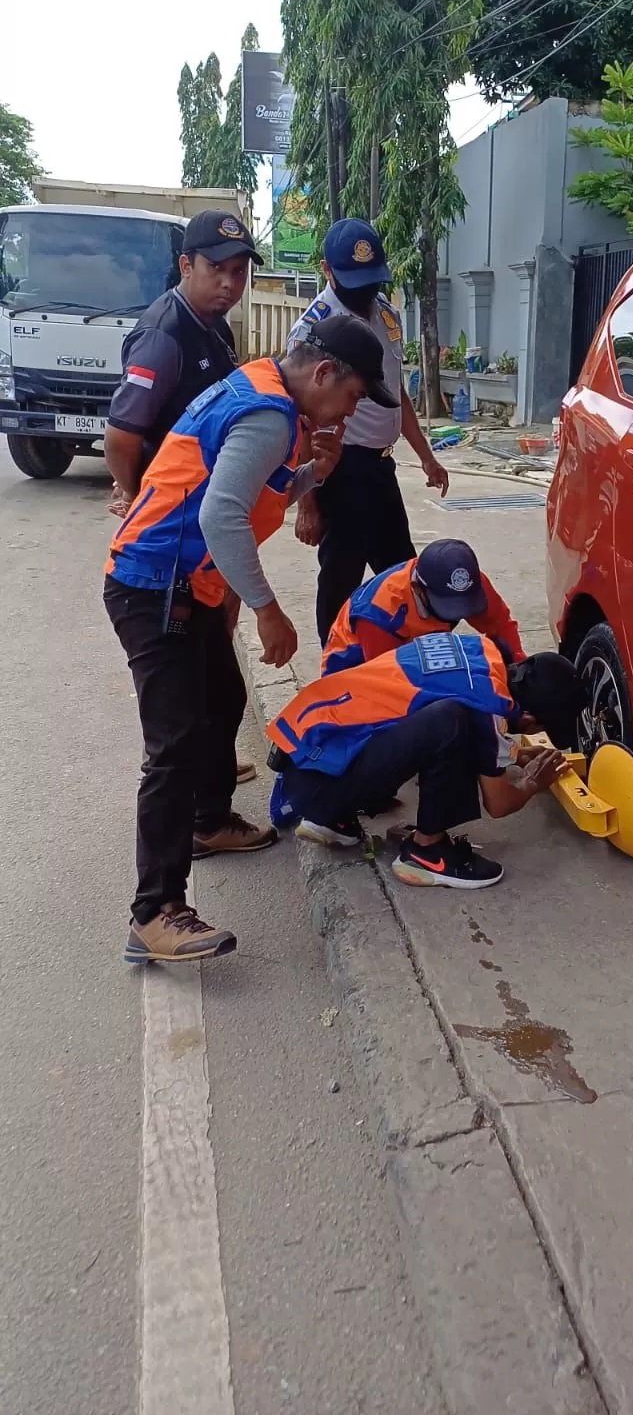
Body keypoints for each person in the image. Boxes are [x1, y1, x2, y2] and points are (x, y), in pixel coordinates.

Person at [105, 313, 396, 964]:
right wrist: (267, 608)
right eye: (351, 396)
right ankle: (154, 913)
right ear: (323, 373)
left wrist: (312, 476)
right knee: (174, 747)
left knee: (225, 701)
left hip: (185, 582)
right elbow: (221, 513)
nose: (350, 412)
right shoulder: (269, 415)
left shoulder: (267, 394)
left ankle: (209, 822)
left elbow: (249, 491)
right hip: (154, 584)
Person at [104, 207, 262, 784]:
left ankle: (209, 765)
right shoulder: (164, 335)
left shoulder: (213, 328)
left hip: (201, 531)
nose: (229, 282)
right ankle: (200, 790)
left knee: (212, 660)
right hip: (170, 542)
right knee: (195, 670)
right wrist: (138, 497)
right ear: (185, 265)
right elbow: (121, 438)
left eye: (240, 271)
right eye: (217, 268)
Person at [266, 631, 586, 890]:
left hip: (306, 756)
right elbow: (498, 804)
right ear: (529, 716)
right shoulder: (484, 709)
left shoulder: (477, 652)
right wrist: (532, 782)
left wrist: (511, 754)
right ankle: (427, 852)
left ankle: (334, 817)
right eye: (540, 726)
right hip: (318, 785)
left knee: (444, 719)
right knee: (452, 723)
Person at [287, 217, 450, 644]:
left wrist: (426, 456)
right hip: (340, 469)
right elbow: (300, 415)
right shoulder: (314, 330)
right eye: (353, 283)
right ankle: (335, 674)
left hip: (380, 468)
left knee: (403, 571)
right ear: (327, 271)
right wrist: (308, 502)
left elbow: (393, 391)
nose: (364, 294)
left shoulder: (387, 315)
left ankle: (410, 660)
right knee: (341, 579)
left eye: (371, 282)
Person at [322, 538, 526, 674]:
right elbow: (391, 681)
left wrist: (518, 670)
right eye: (448, 605)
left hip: (414, 649)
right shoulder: (379, 613)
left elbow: (500, 626)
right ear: (417, 589)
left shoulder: (464, 581)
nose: (458, 614)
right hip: (355, 672)